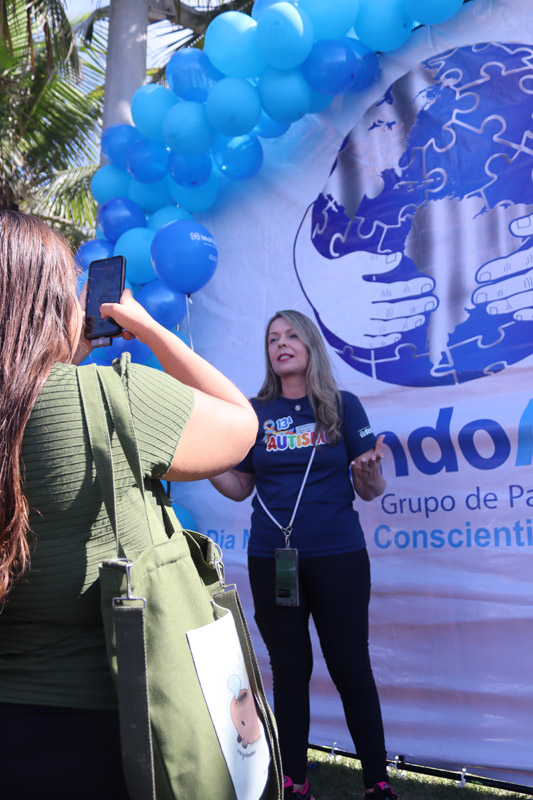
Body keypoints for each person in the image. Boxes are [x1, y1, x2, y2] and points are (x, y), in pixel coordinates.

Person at [0, 210, 257, 800]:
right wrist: (147, 329)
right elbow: (241, 427)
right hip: (106, 733)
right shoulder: (111, 396)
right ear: (48, 306)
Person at [209, 310, 397, 800]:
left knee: (350, 666)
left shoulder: (342, 406)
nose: (282, 344)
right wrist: (205, 464)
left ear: (310, 345)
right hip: (273, 559)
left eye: (292, 335)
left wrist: (369, 473)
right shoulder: (254, 414)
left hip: (338, 556)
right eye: (273, 338)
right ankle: (295, 782)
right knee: (289, 669)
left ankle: (377, 782)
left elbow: (371, 489)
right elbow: (239, 486)